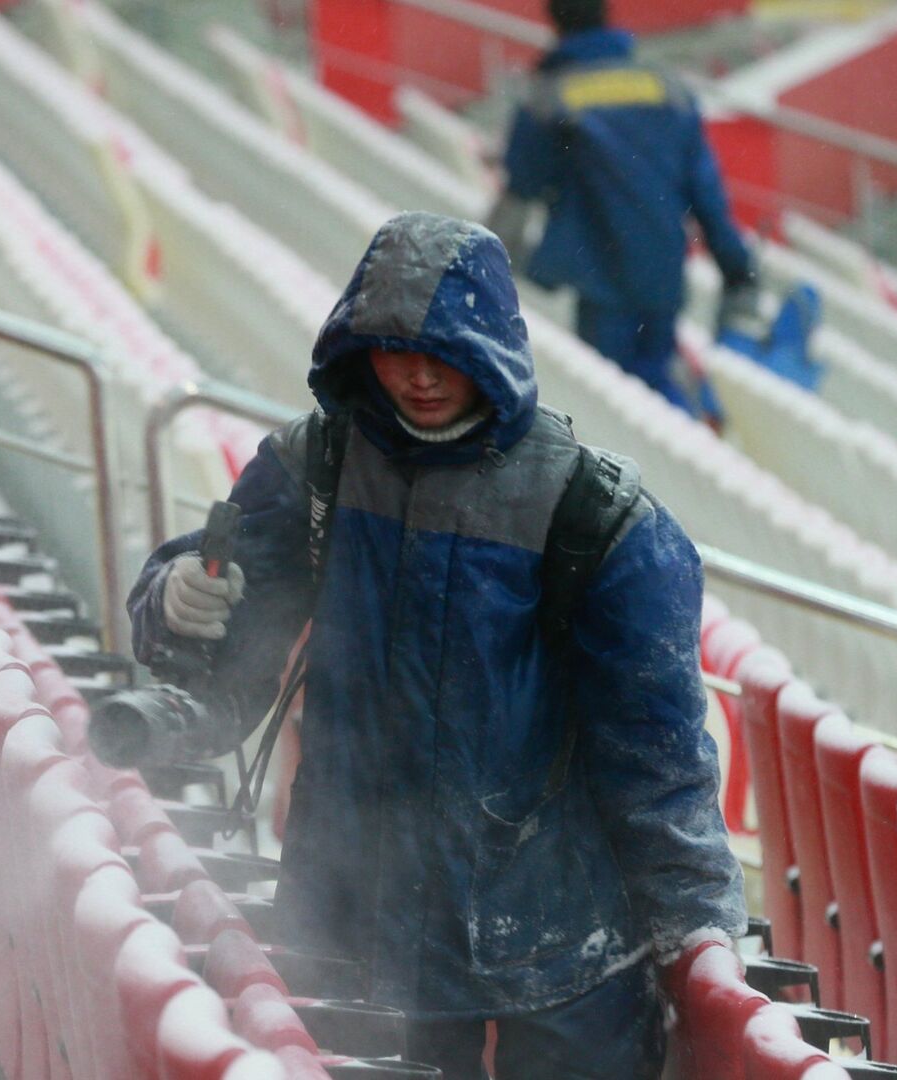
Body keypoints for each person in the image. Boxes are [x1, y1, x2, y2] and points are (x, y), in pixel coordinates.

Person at [127, 211, 745, 1079]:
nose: (417, 377)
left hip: (551, 955)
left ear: (492, 347)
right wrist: (175, 596)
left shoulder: (595, 518)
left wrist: (699, 929)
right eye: (389, 351)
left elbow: (658, 763)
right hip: (348, 930)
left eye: (442, 353)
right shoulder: (318, 469)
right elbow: (220, 673)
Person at [489, 0, 760, 420]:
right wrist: (738, 272)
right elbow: (708, 196)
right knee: (654, 380)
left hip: (600, 284)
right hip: (664, 275)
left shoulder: (549, 98)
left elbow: (518, 193)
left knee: (616, 409)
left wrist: (491, 265)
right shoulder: (667, 88)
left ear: (553, 20)